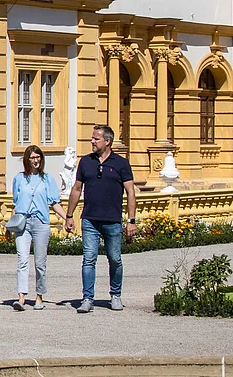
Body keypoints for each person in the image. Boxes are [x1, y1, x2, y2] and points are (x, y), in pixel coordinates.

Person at [63, 123, 138, 312]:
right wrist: (69, 215)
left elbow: (130, 192)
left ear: (108, 141)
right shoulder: (86, 162)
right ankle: (87, 298)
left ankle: (116, 295)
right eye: (92, 138)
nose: (92, 141)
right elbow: (76, 189)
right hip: (90, 219)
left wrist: (131, 220)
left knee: (115, 259)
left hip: (112, 220)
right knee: (89, 259)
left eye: (96, 139)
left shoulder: (121, 163)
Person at [8, 147, 60, 308]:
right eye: (32, 157)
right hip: (23, 222)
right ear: (27, 159)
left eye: (38, 157)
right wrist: (9, 226)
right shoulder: (19, 179)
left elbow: (54, 202)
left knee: (40, 263)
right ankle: (21, 297)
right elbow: (15, 204)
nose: (36, 160)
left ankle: (39, 296)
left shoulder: (47, 179)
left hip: (40, 222)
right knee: (22, 260)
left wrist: (67, 217)